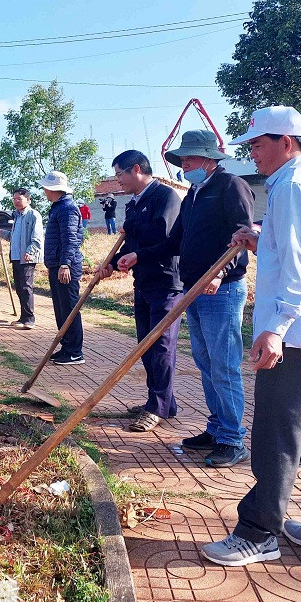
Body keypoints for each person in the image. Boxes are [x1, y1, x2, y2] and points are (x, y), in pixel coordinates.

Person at [201, 106, 301, 568]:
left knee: (277, 436)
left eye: (258, 144)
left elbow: (297, 267)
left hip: (296, 337)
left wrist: (275, 328)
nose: (253, 153)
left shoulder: (293, 185)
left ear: (286, 142)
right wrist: (260, 234)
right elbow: (296, 242)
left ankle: (258, 531)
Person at [117, 130, 255, 462]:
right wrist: (139, 255)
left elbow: (242, 236)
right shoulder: (194, 192)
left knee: (223, 365)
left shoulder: (230, 186)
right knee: (206, 363)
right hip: (193, 289)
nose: (185, 165)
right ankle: (216, 428)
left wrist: (220, 272)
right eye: (182, 160)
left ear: (209, 158)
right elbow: (174, 242)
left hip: (221, 289)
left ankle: (233, 439)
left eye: (190, 159)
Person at [100, 151, 182, 430]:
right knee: (145, 347)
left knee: (160, 347)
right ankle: (160, 402)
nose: (117, 181)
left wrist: (136, 246)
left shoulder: (165, 197)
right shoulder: (134, 204)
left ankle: (157, 407)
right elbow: (131, 243)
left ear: (136, 169)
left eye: (120, 174)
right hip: (143, 281)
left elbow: (164, 236)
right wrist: (111, 263)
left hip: (166, 283)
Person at [40, 170, 85, 365]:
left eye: (45, 187)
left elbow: (71, 239)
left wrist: (65, 263)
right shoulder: (58, 207)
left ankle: (75, 351)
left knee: (69, 309)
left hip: (65, 266)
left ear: (53, 188)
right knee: (61, 309)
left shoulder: (67, 208)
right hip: (56, 265)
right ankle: (67, 347)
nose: (44, 191)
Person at [0, 187, 43, 330]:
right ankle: (23, 317)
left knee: (26, 287)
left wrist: (30, 251)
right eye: (14, 199)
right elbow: (14, 238)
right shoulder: (17, 216)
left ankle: (29, 319)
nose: (16, 201)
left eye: (19, 199)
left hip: (27, 257)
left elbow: (37, 238)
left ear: (28, 200)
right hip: (15, 257)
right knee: (20, 288)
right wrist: (1, 233)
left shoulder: (33, 215)